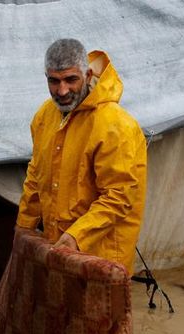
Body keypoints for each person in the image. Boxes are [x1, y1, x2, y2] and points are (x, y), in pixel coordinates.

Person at [16, 38, 146, 275]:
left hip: (102, 258)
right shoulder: (45, 116)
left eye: (70, 79)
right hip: (59, 249)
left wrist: (76, 236)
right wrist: (23, 229)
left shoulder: (115, 125)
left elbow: (119, 196)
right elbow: (36, 178)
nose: (62, 90)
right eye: (53, 81)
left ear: (87, 75)